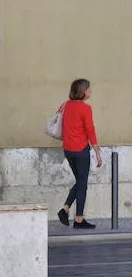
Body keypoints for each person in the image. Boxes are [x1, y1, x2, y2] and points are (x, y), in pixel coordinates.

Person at [57, 78, 101, 229]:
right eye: (89, 89)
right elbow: (90, 130)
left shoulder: (65, 105)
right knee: (82, 184)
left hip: (68, 150)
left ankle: (65, 209)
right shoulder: (85, 108)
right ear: (83, 92)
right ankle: (79, 219)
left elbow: (61, 121)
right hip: (81, 150)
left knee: (80, 182)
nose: (91, 91)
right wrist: (97, 152)